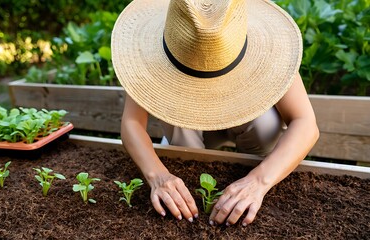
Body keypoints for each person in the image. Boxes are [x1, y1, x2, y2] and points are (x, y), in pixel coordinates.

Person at [111, 0, 319, 227]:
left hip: (251, 130)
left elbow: (305, 123)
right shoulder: (151, 52)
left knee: (266, 125)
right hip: (188, 134)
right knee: (176, 123)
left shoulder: (271, 49)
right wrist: (159, 176)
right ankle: (188, 163)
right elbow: (132, 122)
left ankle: (253, 165)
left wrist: (258, 181)